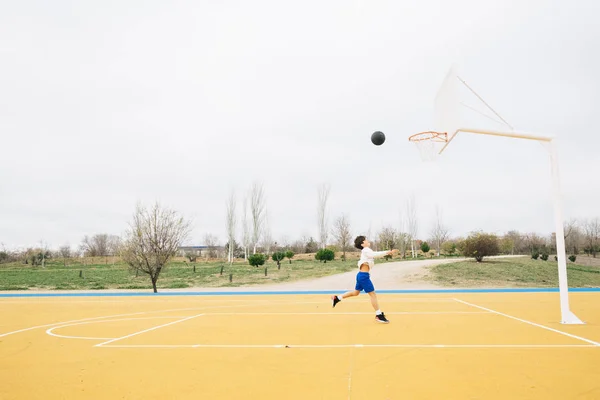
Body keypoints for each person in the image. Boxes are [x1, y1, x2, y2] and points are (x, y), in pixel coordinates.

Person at [331, 235, 397, 323]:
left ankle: (337, 298)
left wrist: (387, 252)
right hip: (363, 277)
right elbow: (375, 255)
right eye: (366, 240)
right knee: (373, 295)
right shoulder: (366, 250)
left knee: (355, 293)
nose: (368, 241)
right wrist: (387, 252)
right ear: (362, 244)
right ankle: (379, 315)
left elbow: (373, 255)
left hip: (361, 275)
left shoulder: (366, 251)